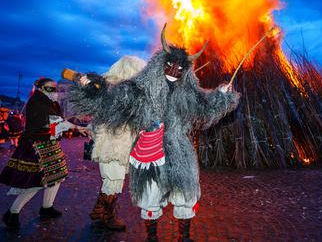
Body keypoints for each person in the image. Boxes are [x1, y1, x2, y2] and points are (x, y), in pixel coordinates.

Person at [69, 24, 240, 242]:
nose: (174, 71)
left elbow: (205, 107)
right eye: (169, 65)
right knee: (150, 195)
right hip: (150, 153)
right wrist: (93, 88)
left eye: (180, 69)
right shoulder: (138, 91)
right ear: (160, 64)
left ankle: (184, 237)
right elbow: (111, 102)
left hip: (179, 153)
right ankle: (151, 238)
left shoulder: (187, 93)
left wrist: (221, 96)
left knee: (185, 194)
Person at [0, 78, 86, 229]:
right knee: (36, 183)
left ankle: (47, 207)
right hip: (35, 147)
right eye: (50, 88)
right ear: (40, 88)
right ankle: (12, 213)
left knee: (57, 177)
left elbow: (56, 123)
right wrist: (76, 127)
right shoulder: (36, 102)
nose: (54, 92)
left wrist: (72, 123)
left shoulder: (50, 102)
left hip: (50, 144)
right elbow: (55, 122)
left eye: (55, 89)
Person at [88, 56, 146, 231]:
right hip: (114, 146)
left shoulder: (108, 91)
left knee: (110, 180)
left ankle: (100, 213)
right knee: (113, 180)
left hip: (111, 145)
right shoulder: (121, 93)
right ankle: (107, 216)